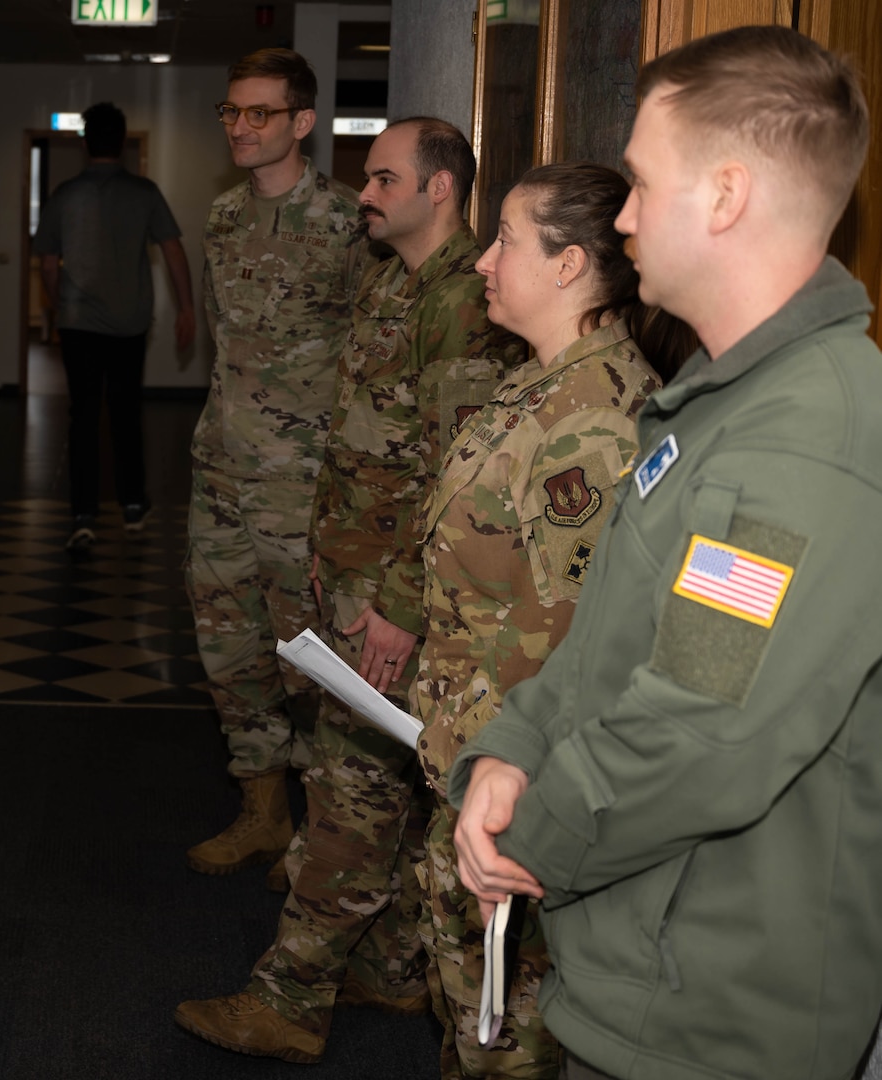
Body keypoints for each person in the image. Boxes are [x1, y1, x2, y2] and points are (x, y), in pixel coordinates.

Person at [452, 26, 881, 1080]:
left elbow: (700, 732)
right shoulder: (722, 410)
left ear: (726, 196)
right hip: (647, 961)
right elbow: (609, 639)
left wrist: (531, 833)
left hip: (709, 1014)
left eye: (643, 184)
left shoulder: (803, 443)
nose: (627, 217)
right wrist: (511, 748)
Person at [177, 116, 522, 1063]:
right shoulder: (388, 284)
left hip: (397, 604)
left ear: (439, 189)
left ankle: (289, 998)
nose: (361, 194)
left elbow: (458, 477)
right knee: (379, 794)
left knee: (346, 801)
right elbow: (361, 438)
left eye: (381, 179)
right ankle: (395, 966)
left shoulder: (460, 304)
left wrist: (400, 609)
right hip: (356, 581)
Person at [415, 162, 684, 1079]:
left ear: (568, 265)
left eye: (505, 241)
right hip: (469, 750)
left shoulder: (593, 420)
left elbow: (562, 637)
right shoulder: (538, 385)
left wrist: (497, 770)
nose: (482, 260)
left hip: (514, 778)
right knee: (469, 1016)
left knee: (508, 1029)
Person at [184, 47, 369, 884]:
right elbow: (226, 342)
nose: (241, 127)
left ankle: (322, 832)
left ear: (302, 122)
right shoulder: (221, 217)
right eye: (231, 112)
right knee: (229, 651)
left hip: (302, 484)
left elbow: (372, 353)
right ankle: (260, 812)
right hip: (220, 473)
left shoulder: (347, 221)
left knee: (311, 659)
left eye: (260, 113)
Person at [33, 101, 194, 549]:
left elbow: (48, 263)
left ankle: (83, 513)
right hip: (129, 324)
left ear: (86, 143)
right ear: (122, 142)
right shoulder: (145, 192)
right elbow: (174, 251)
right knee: (126, 413)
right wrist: (187, 308)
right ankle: (133, 505)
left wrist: (57, 303)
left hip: (79, 323)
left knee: (82, 416)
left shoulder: (65, 195)